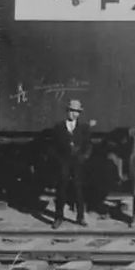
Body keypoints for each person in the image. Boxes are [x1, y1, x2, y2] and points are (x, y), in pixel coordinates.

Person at [50, 98, 93, 229]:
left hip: (78, 164)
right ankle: (58, 217)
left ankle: (80, 217)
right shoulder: (58, 127)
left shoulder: (84, 128)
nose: (74, 114)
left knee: (78, 190)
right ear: (67, 111)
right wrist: (59, 160)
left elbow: (88, 146)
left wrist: (84, 157)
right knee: (61, 190)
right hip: (63, 163)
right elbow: (53, 147)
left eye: (77, 112)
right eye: (72, 111)